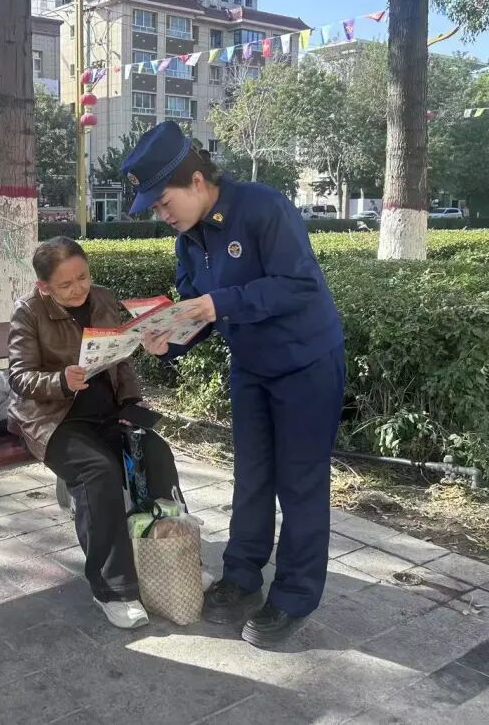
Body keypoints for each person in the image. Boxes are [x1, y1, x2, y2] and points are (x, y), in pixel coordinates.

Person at [124, 121, 345, 649]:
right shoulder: (189, 240)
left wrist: (218, 303)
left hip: (305, 362)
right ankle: (242, 577)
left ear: (198, 181)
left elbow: (297, 285)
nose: (163, 215)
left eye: (165, 202)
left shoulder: (263, 207)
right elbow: (194, 310)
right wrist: (168, 341)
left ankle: (294, 597)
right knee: (251, 476)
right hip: (250, 367)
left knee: (299, 483)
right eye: (155, 209)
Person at [8, 237, 183, 629]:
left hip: (108, 410)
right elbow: (19, 377)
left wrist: (132, 400)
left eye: (83, 277)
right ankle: (113, 589)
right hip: (54, 419)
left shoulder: (102, 298)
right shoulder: (28, 311)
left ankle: (169, 554)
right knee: (98, 471)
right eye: (65, 284)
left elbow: (121, 359)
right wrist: (61, 380)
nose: (79, 289)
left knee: (155, 452)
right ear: (43, 286)